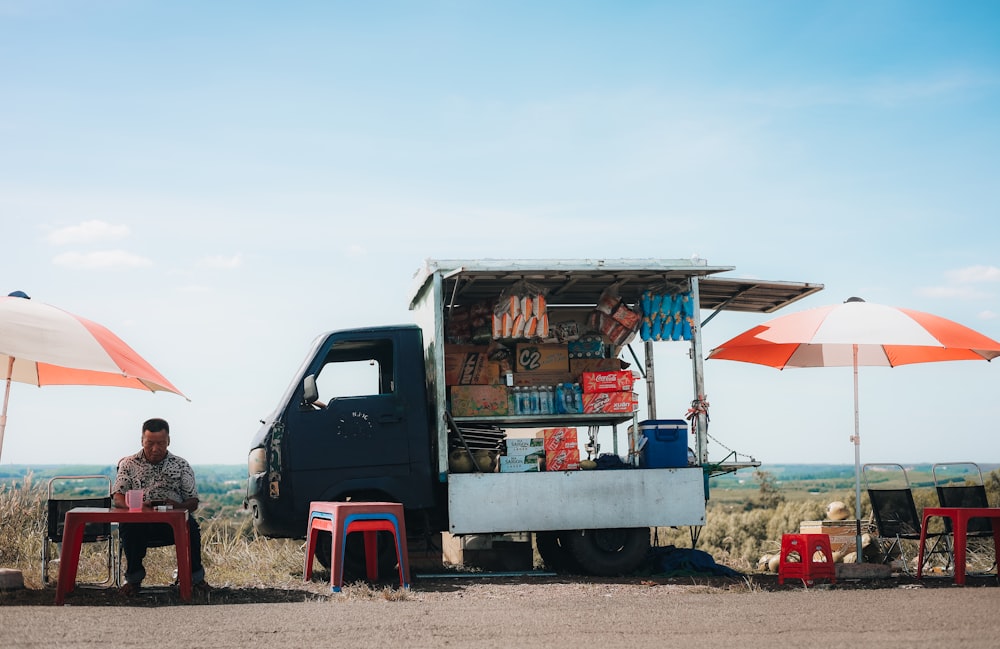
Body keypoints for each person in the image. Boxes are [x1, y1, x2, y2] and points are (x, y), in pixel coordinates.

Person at [113, 417, 208, 594]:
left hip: (172, 523)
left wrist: (177, 506)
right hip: (139, 522)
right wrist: (138, 507)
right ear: (142, 440)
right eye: (150, 443)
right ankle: (133, 580)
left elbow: (193, 501)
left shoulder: (181, 465)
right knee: (128, 526)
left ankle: (196, 578)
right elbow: (118, 497)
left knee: (192, 527)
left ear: (169, 441)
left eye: (161, 443)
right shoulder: (128, 464)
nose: (155, 449)